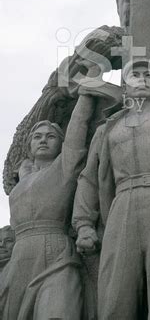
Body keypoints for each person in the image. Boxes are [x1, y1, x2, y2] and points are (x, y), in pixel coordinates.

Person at [72, 2, 150, 320]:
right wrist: (84, 224)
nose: (141, 79)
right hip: (123, 204)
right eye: (134, 75)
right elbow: (89, 178)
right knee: (116, 296)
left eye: (147, 75)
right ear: (125, 86)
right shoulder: (109, 127)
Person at [0, 69, 97, 320]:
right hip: (19, 256)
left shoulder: (63, 169)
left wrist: (87, 92)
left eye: (51, 137)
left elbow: (76, 130)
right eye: (38, 137)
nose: (43, 140)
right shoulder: (20, 178)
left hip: (55, 251)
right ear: (30, 146)